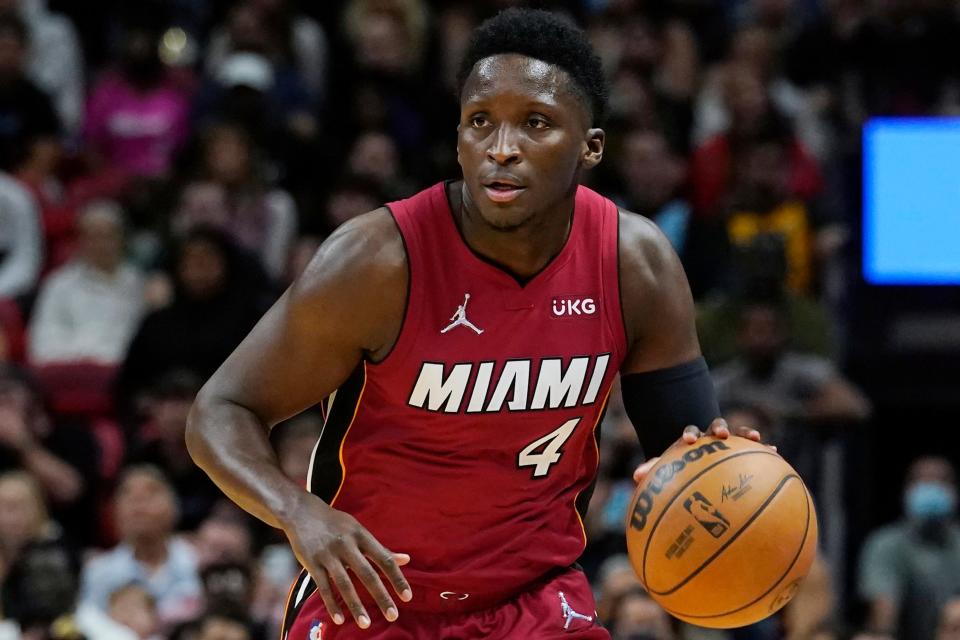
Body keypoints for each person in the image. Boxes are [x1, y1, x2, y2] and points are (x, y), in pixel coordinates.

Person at [186, 9, 764, 639]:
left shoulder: (635, 266)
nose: (502, 147)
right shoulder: (377, 261)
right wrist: (298, 512)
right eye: (480, 122)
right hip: (371, 597)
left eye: (535, 123)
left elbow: (684, 452)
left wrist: (725, 470)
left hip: (536, 601)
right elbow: (220, 408)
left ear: (591, 147)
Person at [79, 465, 202, 629]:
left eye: (152, 492)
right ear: (115, 512)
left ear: (174, 507)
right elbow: (89, 629)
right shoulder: (99, 572)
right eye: (127, 494)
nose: (138, 502)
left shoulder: (199, 562)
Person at [27, 200, 145, 367]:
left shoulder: (138, 283)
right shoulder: (58, 285)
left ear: (122, 239)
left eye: (108, 236)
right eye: (92, 237)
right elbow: (42, 344)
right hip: (68, 371)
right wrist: (86, 360)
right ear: (80, 241)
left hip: (123, 372)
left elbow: (141, 341)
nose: (101, 245)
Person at [858, 456, 960, 640]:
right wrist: (882, 634)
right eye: (923, 481)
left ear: (954, 492)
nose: (931, 488)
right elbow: (883, 611)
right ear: (907, 491)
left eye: (940, 481)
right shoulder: (886, 544)